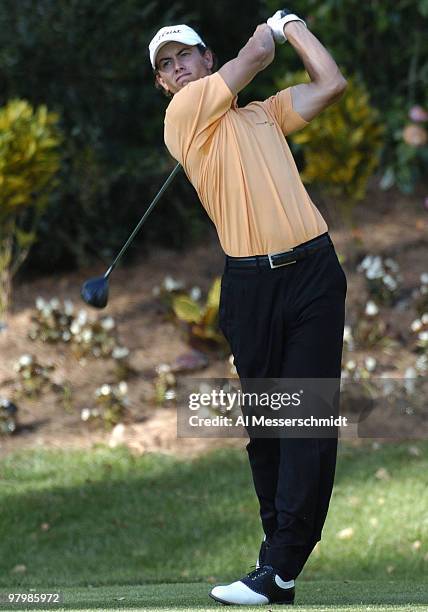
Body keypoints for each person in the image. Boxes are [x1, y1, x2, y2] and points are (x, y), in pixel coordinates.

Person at [149, 8, 347, 606]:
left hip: (312, 272)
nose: (177, 68)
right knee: (267, 429)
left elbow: (331, 83)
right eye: (166, 65)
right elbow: (254, 57)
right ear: (163, 84)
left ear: (206, 59)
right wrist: (269, 33)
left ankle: (281, 564)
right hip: (249, 288)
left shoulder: (264, 115)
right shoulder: (182, 115)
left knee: (305, 419)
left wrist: (293, 25)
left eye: (185, 55)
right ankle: (277, 560)